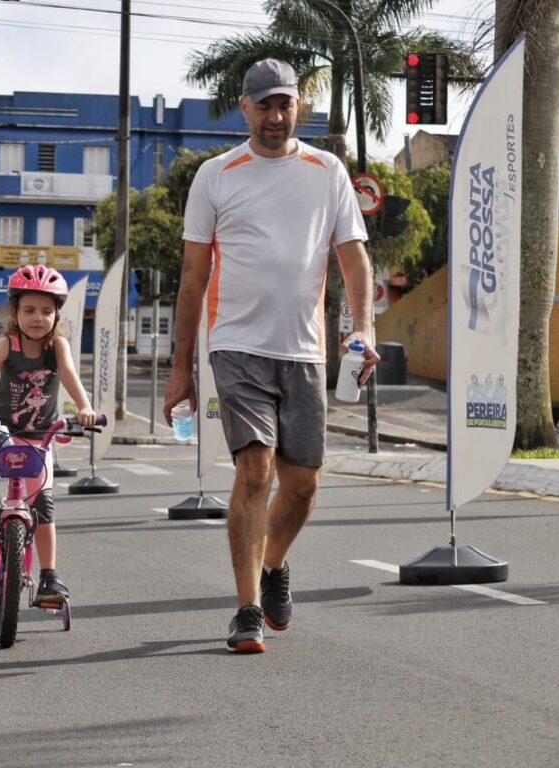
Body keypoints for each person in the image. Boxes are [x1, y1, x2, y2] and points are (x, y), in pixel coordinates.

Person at [163, 58, 379, 654]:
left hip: (304, 351)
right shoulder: (216, 175)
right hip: (236, 345)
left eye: (285, 105)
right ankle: (246, 610)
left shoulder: (327, 171)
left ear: (297, 108)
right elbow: (192, 276)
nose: (276, 116)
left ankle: (272, 564)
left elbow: (354, 257)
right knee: (255, 471)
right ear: (245, 107)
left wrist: (362, 328)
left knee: (304, 484)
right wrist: (181, 368)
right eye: (265, 105)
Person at [0, 264, 96, 601]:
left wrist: (84, 408)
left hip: (40, 437)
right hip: (1, 431)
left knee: (43, 502)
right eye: (29, 310)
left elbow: (70, 376)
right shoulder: (6, 345)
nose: (37, 318)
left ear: (57, 315)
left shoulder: (58, 347)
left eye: (46, 311)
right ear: (14, 312)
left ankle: (49, 576)